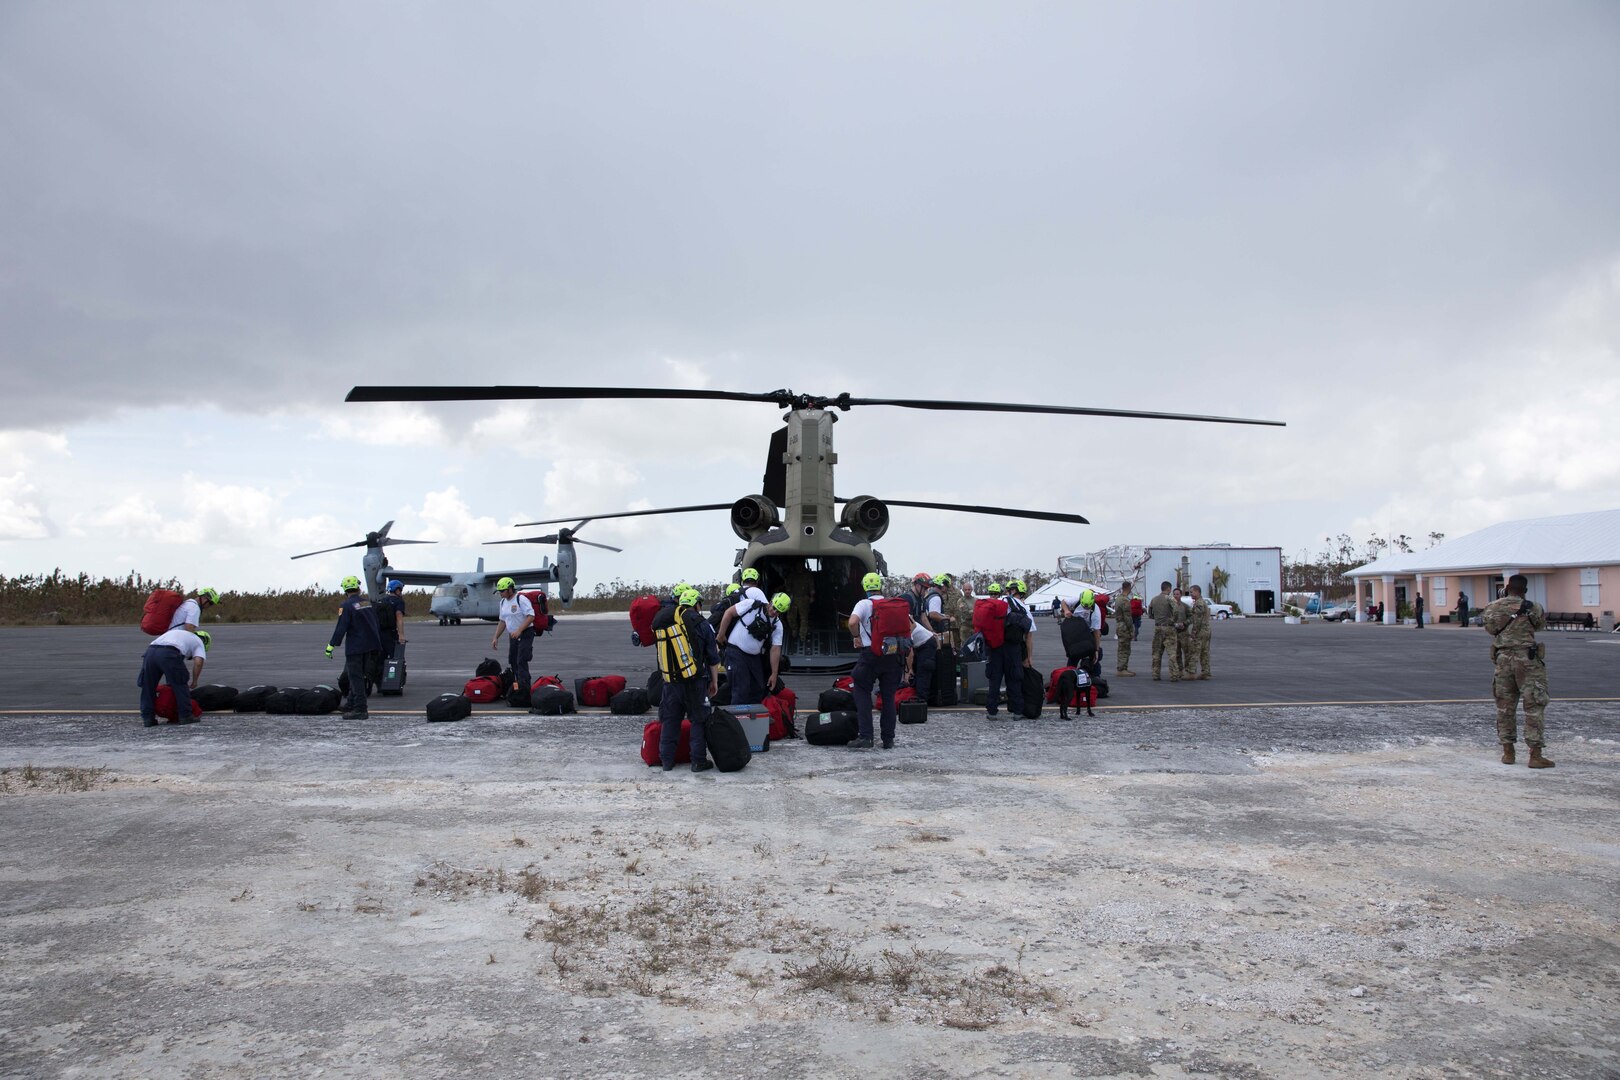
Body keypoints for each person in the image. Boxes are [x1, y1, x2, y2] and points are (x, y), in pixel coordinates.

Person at [1483, 575, 1554, 768]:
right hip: (1528, 660)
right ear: (1526, 590)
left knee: (1505, 706)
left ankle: (1508, 752)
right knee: (1534, 705)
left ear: (1507, 588)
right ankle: (1535, 755)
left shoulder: (1493, 607)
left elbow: (1490, 628)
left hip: (1503, 659)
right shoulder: (1534, 607)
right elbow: (1539, 626)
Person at [652, 586, 720, 772]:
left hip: (671, 680)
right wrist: (714, 682)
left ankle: (666, 761)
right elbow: (713, 658)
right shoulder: (703, 624)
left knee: (670, 720)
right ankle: (698, 762)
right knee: (698, 720)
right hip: (696, 681)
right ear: (696, 604)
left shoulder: (667, 622)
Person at [848, 571, 910, 749]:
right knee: (888, 697)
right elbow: (910, 625)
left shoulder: (863, 604)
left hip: (871, 654)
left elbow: (853, 622)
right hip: (892, 654)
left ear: (865, 588)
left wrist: (856, 637)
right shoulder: (891, 603)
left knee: (861, 691)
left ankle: (866, 737)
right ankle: (888, 739)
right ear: (880, 587)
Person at [716, 576, 783, 706]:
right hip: (735, 651)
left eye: (778, 611)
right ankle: (738, 722)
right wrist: (721, 635)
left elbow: (775, 649)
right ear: (770, 602)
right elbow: (729, 613)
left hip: (753, 657)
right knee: (741, 689)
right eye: (773, 607)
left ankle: (752, 721)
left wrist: (774, 674)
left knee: (758, 688)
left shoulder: (778, 625)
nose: (774, 612)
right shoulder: (751, 604)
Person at [326, 576, 383, 719]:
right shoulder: (367, 603)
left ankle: (360, 709)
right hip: (370, 646)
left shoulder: (345, 606)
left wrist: (331, 645)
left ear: (345, 589)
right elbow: (375, 624)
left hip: (355, 647)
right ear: (358, 587)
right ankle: (350, 704)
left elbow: (341, 627)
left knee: (355, 677)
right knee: (357, 676)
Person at [139, 627, 209, 726]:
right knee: (180, 683)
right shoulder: (199, 642)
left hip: (150, 652)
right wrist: (194, 681)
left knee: (148, 686)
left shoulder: (180, 634)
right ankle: (185, 716)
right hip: (169, 653)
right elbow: (198, 662)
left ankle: (148, 718)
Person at [490, 577, 535, 699]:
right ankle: (518, 687)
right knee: (513, 661)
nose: (500, 593)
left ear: (510, 589)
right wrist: (496, 637)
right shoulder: (503, 602)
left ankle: (525, 688)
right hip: (513, 635)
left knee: (522, 660)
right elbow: (502, 621)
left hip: (526, 633)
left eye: (502, 591)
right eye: (499, 591)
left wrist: (520, 630)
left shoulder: (521, 599)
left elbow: (531, 616)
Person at [1060, 589, 1103, 669]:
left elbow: (1096, 632)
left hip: (1088, 632)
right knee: (1074, 654)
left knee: (1093, 655)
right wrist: (1066, 611)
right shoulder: (1076, 600)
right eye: (1084, 606)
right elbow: (1063, 602)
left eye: (1088, 607)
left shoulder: (1095, 612)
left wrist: (1096, 650)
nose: (1086, 608)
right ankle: (1070, 672)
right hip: (1075, 630)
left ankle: (1094, 674)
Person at [1147, 581, 1181, 681]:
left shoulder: (1154, 599)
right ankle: (1174, 675)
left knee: (1157, 652)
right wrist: (1173, 620)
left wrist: (1156, 618)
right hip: (1168, 627)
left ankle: (1155, 674)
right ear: (1169, 589)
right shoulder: (1169, 598)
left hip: (1158, 627)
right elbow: (1176, 610)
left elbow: (1150, 613)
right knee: (1171, 653)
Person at [1111, 581, 1136, 676]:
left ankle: (1124, 667)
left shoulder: (1118, 599)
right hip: (1124, 626)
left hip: (1120, 625)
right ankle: (1121, 669)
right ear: (1129, 588)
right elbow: (1127, 617)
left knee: (1123, 647)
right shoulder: (1125, 600)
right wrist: (1131, 629)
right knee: (1124, 648)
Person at [1187, 585, 1213, 679]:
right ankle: (1206, 672)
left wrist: (1194, 632)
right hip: (1206, 630)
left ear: (1197, 592)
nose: (1190, 594)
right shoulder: (1202, 602)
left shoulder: (1199, 603)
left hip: (1200, 631)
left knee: (1194, 651)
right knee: (1204, 652)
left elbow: (1197, 620)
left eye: (1192, 592)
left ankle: (1191, 673)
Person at [379, 579, 407, 658]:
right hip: (391, 635)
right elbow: (399, 617)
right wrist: (401, 635)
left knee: (380, 660)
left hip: (380, 634)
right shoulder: (399, 602)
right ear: (397, 590)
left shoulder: (382, 601)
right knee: (396, 658)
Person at [1170, 587, 1193, 681]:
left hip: (1184, 632)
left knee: (1187, 652)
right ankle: (1179, 670)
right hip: (1173, 632)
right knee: (1176, 653)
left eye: (1177, 594)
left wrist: (1185, 623)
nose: (1176, 596)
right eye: (1174, 594)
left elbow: (1191, 617)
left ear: (1181, 595)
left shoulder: (1185, 606)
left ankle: (1188, 670)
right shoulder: (1169, 606)